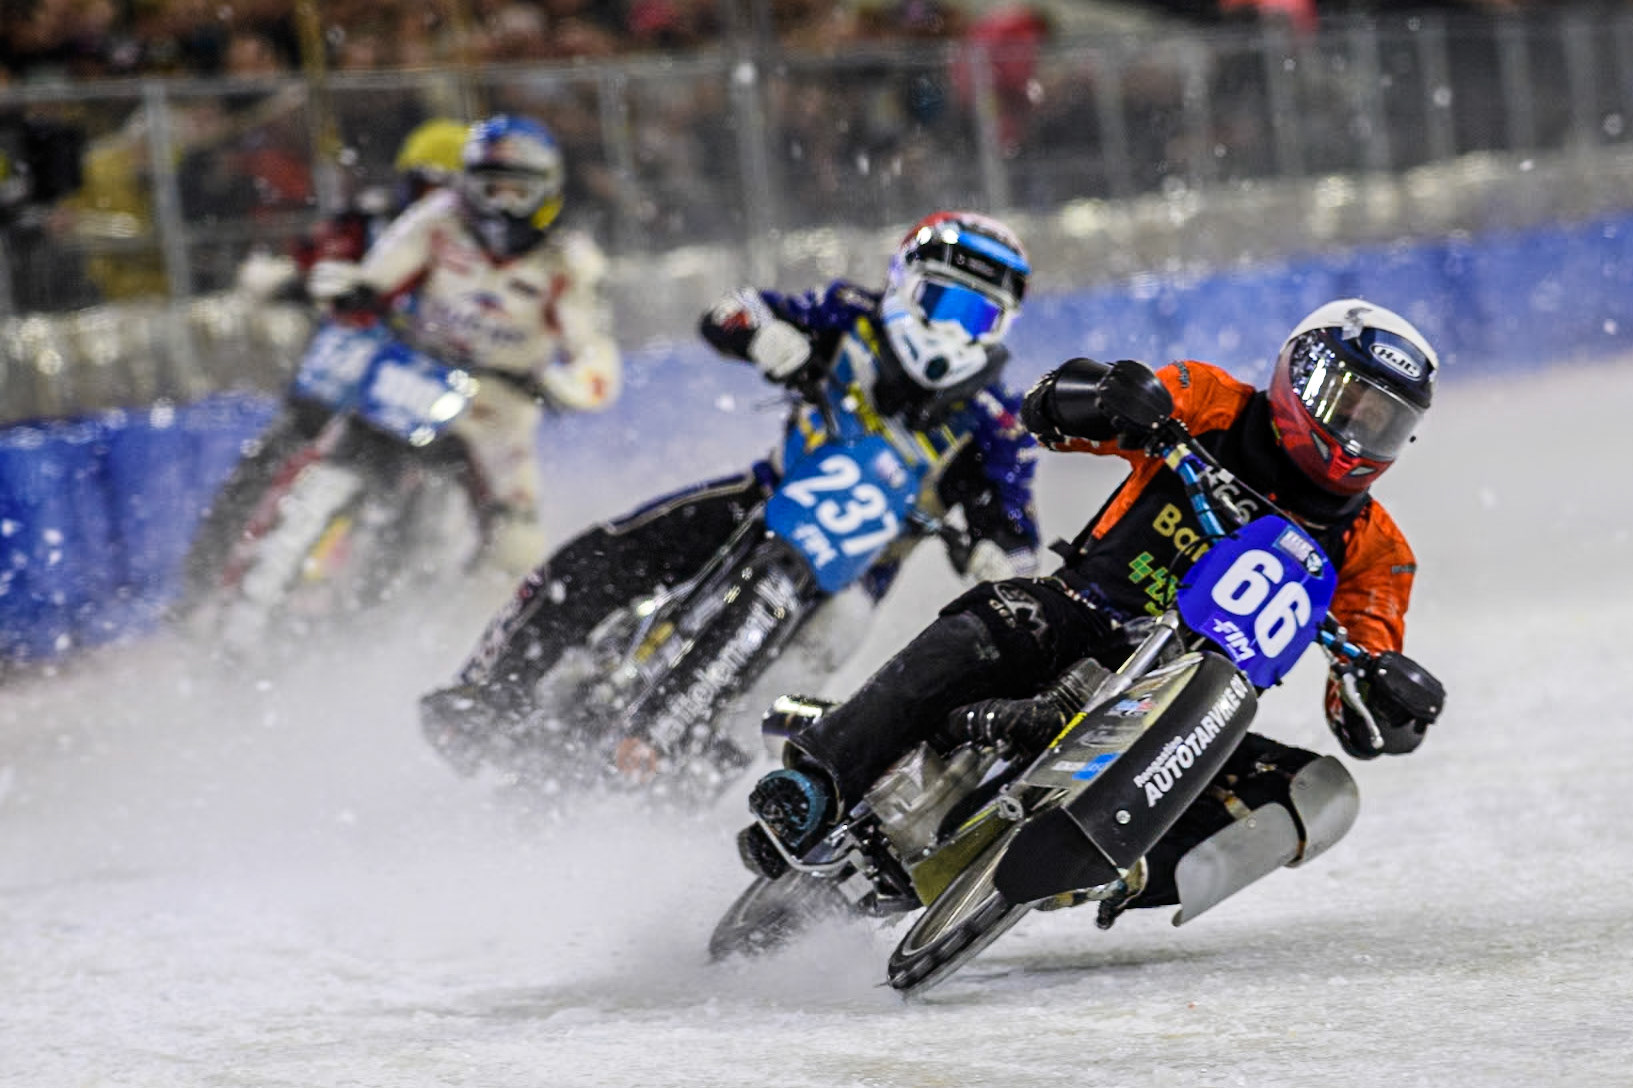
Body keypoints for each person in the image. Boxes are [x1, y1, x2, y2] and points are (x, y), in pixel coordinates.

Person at [740, 298, 1447, 925]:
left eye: (1380, 422)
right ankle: (818, 778)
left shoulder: (1377, 550)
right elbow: (1047, 417)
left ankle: (1121, 870)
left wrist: (1390, 702)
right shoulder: (1208, 400)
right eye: (1347, 402)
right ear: (1299, 376)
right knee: (993, 621)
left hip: (1196, 709)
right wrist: (1106, 398)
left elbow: (1361, 680)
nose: (1355, 432)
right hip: (1082, 612)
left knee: (1319, 794)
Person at [419, 210, 1043, 779]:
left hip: (853, 581)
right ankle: (485, 693)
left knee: (799, 681)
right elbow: (730, 313)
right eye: (944, 304)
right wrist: (765, 335)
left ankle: (698, 780)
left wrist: (997, 555)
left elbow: (1016, 529)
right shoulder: (849, 315)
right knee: (600, 556)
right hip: (762, 500)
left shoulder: (995, 422)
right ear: (906, 285)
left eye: (978, 316)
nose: (955, 331)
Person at [307, 113, 623, 572]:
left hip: (501, 402)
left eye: (519, 190)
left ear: (547, 191)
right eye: (490, 187)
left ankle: (484, 629)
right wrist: (357, 289)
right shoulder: (441, 218)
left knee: (516, 543)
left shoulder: (569, 262)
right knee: (330, 449)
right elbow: (383, 269)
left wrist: (569, 384)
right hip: (415, 370)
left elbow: (592, 349)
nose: (503, 204)